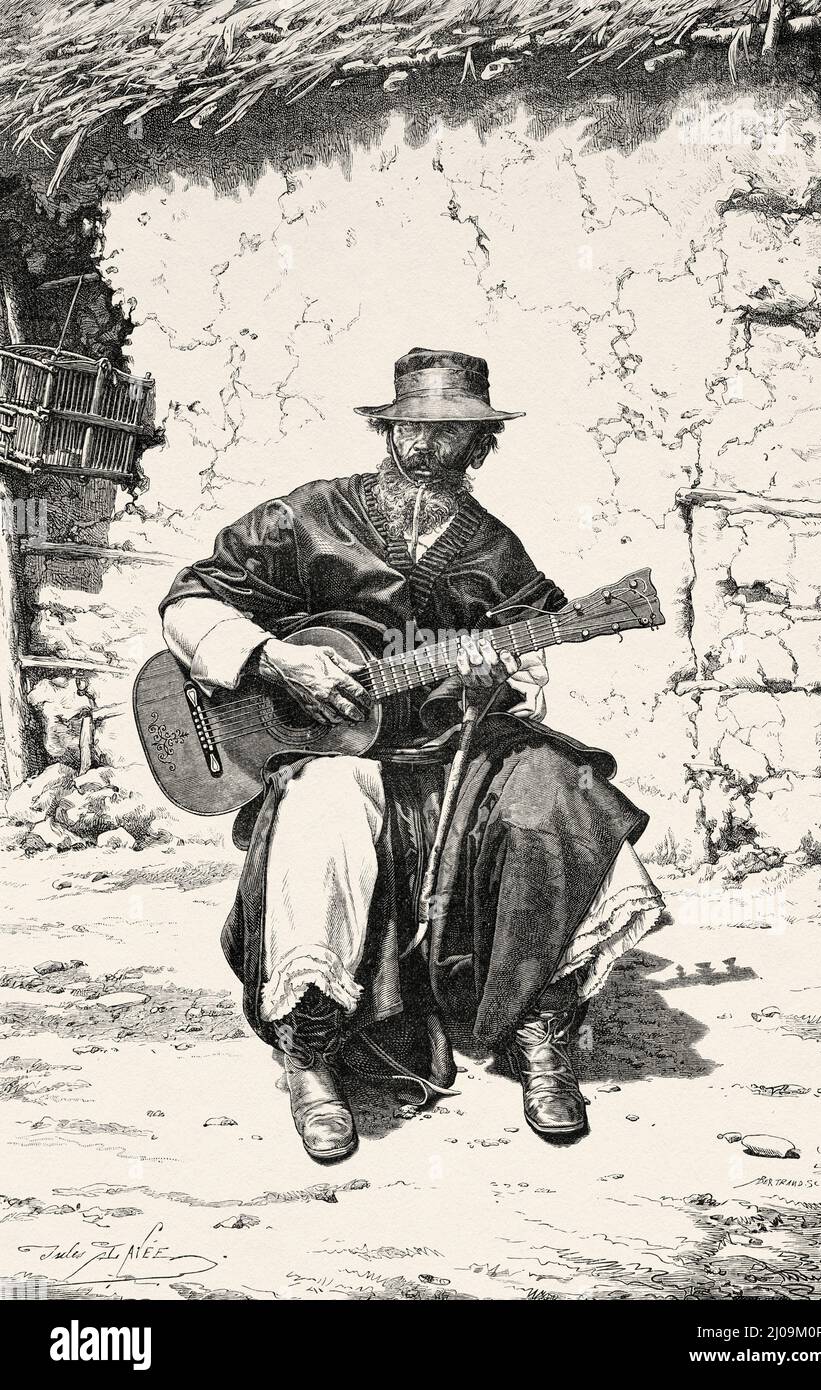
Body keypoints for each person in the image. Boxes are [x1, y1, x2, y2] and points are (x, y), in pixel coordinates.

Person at [160, 346, 664, 1163]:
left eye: (453, 432)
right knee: (328, 803)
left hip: (447, 753)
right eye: (416, 428)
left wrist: (494, 669)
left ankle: (541, 1031)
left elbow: (528, 660)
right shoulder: (310, 516)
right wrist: (273, 658)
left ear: (481, 444)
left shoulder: (494, 548)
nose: (430, 447)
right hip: (334, 753)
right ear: (389, 430)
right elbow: (192, 599)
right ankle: (310, 1054)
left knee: (562, 792)